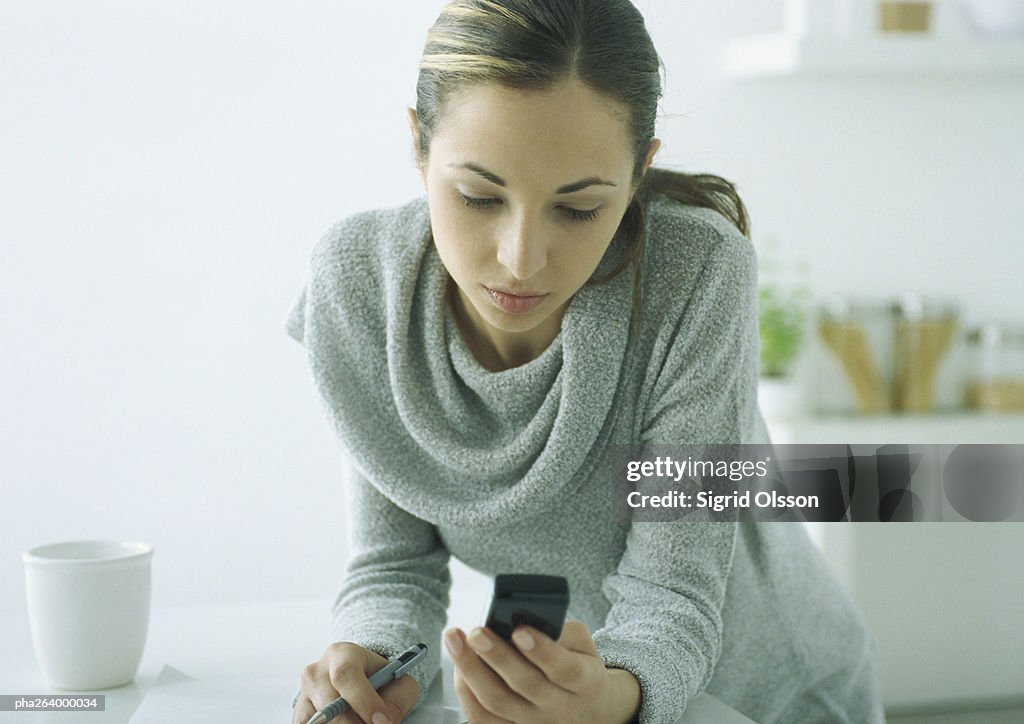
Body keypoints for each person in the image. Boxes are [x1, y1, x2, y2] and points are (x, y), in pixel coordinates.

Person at [286, 1, 885, 722]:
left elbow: (675, 590)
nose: (520, 259)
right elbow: (394, 564)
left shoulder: (691, 272)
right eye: (478, 195)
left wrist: (607, 699)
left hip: (775, 690)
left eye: (577, 210)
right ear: (418, 146)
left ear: (639, 175)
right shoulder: (361, 289)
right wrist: (374, 659)